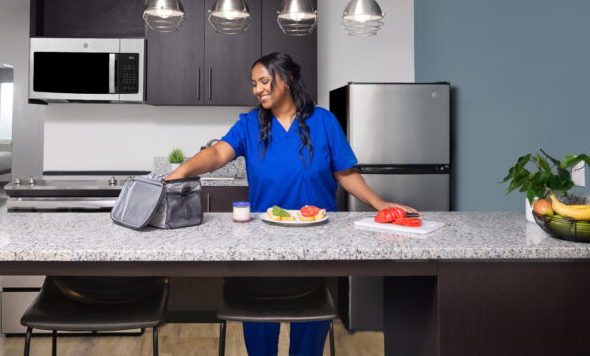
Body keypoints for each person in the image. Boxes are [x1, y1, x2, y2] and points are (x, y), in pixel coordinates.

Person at [167, 52, 418, 356]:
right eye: (253, 84)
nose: (257, 89)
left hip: (318, 239)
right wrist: (180, 173)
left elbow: (345, 173)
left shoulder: (324, 121)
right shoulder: (249, 124)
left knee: (310, 318)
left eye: (263, 81)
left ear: (285, 81)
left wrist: (379, 203)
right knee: (259, 318)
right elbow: (218, 154)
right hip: (261, 242)